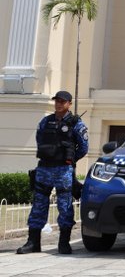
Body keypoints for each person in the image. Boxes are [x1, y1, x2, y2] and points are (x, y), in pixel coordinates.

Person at [17, 91, 89, 255]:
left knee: (64, 206)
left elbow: (84, 148)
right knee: (38, 205)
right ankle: (33, 242)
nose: (58, 104)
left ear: (69, 103)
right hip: (44, 168)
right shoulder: (45, 121)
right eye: (57, 101)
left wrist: (70, 160)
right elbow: (39, 139)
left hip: (63, 170)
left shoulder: (76, 124)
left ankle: (64, 243)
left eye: (62, 101)